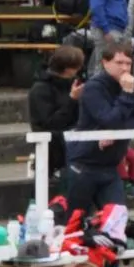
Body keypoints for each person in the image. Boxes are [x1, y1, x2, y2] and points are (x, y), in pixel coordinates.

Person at [69, 37, 134, 267]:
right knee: (75, 220)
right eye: (119, 62)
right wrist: (125, 99)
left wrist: (115, 125)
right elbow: (108, 118)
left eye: (128, 63)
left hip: (110, 166)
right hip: (84, 164)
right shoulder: (94, 88)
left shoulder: (128, 87)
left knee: (116, 220)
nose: (124, 68)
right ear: (105, 63)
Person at [27, 45, 86, 175]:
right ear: (67, 68)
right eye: (76, 67)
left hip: (74, 141)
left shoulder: (72, 83)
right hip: (52, 145)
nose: (79, 70)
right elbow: (50, 122)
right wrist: (72, 100)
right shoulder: (40, 89)